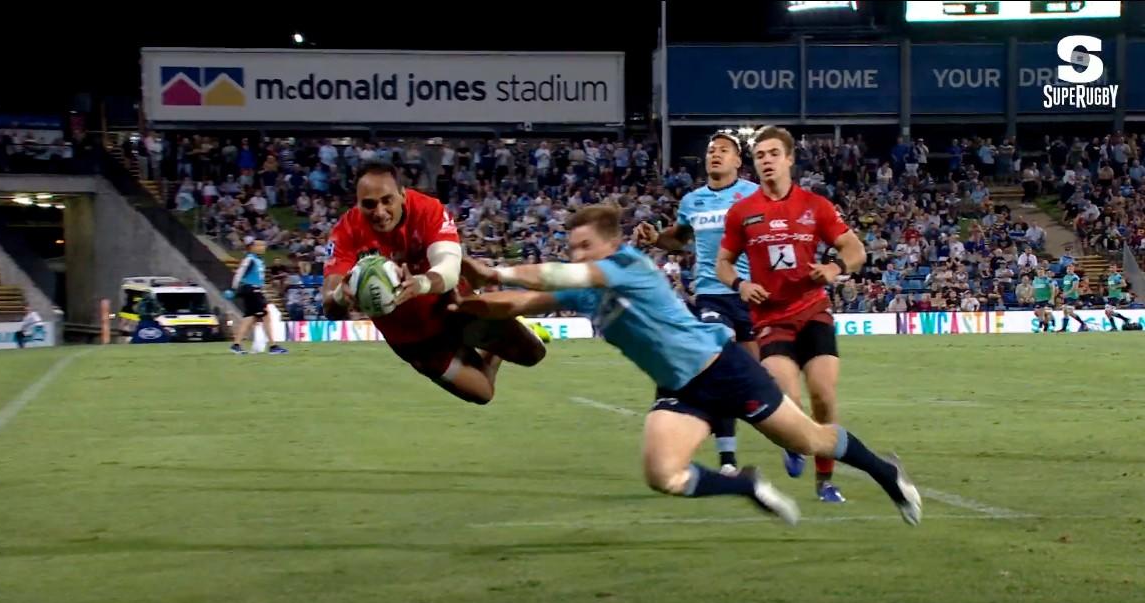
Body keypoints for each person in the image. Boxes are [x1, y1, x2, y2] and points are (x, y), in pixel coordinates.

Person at [455, 204, 922, 525]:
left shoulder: (627, 266)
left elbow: (557, 275)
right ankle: (743, 485)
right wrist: (462, 304)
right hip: (679, 386)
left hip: (723, 368)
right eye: (571, 246)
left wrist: (496, 270)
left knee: (811, 438)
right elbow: (519, 303)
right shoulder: (584, 286)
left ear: (610, 244)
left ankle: (887, 474)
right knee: (663, 475)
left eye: (583, 245)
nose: (575, 254)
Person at [715, 125, 868, 504]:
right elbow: (723, 263)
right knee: (789, 398)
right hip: (770, 319)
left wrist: (835, 269)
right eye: (759, 156)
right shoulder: (742, 212)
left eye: (772, 154)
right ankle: (794, 442)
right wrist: (740, 285)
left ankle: (825, 481)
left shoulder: (815, 206)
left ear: (788, 159)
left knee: (823, 396)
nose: (766, 161)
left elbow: (855, 249)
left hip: (813, 311)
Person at [321, 162, 546, 405]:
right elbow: (329, 304)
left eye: (387, 200)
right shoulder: (345, 232)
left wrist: (420, 284)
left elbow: (448, 269)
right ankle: (491, 346)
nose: (379, 211)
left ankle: (502, 324)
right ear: (357, 202)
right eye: (369, 204)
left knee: (533, 355)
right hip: (412, 339)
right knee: (483, 394)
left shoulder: (428, 209)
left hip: (454, 309)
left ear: (402, 195)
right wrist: (341, 296)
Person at [634, 132, 760, 475]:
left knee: (758, 383)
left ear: (738, 161)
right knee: (717, 360)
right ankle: (729, 460)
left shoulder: (753, 195)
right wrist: (655, 238)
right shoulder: (693, 201)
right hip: (711, 294)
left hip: (751, 295)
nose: (715, 155)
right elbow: (680, 238)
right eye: (710, 150)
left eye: (724, 150)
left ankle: (792, 441)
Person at [229, 239, 288, 355]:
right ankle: (273, 346)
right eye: (259, 245)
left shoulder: (258, 260)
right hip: (251, 289)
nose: (262, 247)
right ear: (252, 247)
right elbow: (240, 273)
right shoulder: (250, 259)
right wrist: (234, 288)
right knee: (266, 314)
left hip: (255, 289)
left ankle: (236, 344)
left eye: (264, 245)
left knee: (250, 317)